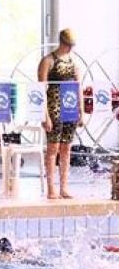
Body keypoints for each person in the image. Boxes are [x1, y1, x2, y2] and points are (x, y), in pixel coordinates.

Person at [38, 28, 84, 199]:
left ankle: (64, 187)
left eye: (71, 45)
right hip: (53, 109)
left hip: (69, 109)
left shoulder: (74, 63)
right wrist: (45, 115)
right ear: (61, 42)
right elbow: (40, 91)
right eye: (67, 45)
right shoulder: (48, 61)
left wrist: (81, 112)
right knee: (53, 148)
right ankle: (51, 188)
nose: (70, 48)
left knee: (66, 148)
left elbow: (78, 88)